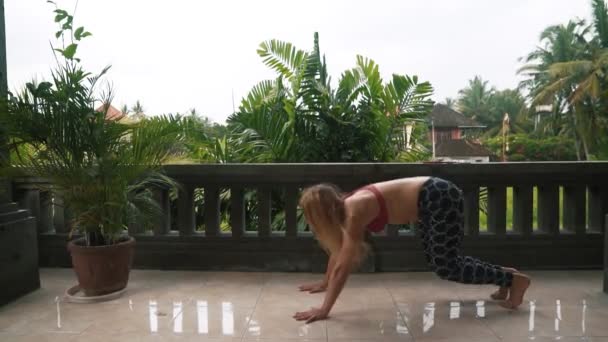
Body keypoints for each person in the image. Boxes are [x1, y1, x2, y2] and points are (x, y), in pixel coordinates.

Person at [293, 176, 531, 323]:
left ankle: (513, 280)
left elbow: (343, 266)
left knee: (446, 266)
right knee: (444, 262)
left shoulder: (355, 210)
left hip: (438, 196)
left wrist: (325, 308)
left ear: (321, 214)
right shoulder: (346, 209)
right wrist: (324, 283)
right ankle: (507, 277)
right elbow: (339, 252)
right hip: (431, 200)